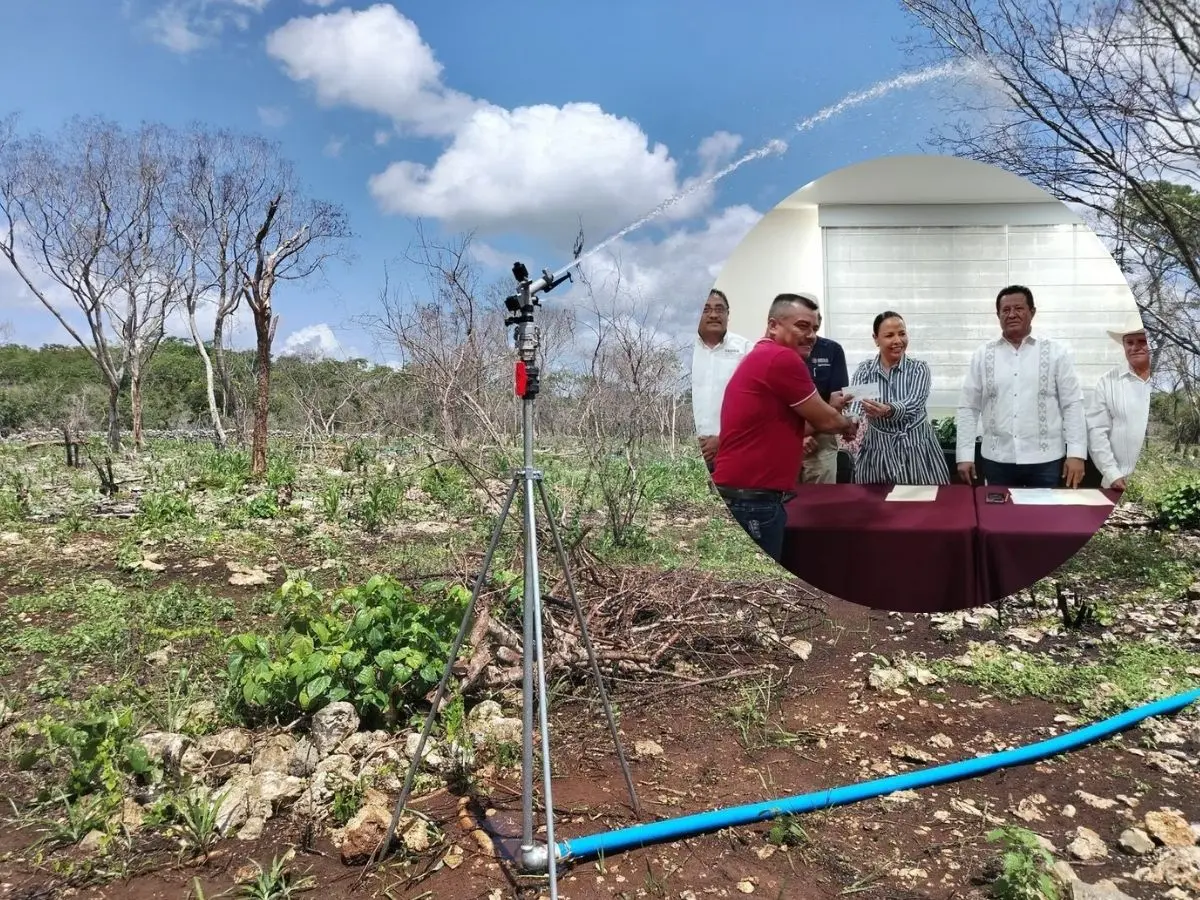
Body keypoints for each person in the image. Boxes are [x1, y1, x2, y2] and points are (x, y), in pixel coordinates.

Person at [712, 293, 857, 562]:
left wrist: (832, 411)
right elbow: (826, 422)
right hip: (753, 500)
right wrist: (846, 423)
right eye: (802, 326)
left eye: (815, 328)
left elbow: (798, 427)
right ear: (773, 325)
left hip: (746, 496)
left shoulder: (762, 355)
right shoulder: (782, 359)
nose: (812, 335)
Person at [955, 285, 1087, 488]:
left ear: (1032, 312)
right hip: (997, 459)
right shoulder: (982, 354)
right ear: (998, 315)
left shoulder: (1056, 353)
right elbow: (968, 407)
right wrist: (964, 455)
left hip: (1046, 460)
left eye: (1018, 308)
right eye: (1005, 310)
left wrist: (1076, 454)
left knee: (1044, 518)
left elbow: (1072, 404)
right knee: (999, 518)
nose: (1012, 314)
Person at [846, 311, 950, 485]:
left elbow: (915, 403)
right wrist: (852, 421)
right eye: (889, 335)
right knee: (878, 506)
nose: (897, 341)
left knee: (924, 506)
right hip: (878, 452)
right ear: (876, 339)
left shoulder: (918, 368)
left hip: (918, 451)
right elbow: (855, 403)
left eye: (902, 334)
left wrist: (889, 410)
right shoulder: (865, 370)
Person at [1086, 314, 1152, 491]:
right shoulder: (1108, 382)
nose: (1135, 347)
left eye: (1142, 341)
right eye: (1129, 343)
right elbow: (1097, 432)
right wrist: (1112, 474)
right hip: (1118, 483)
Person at [691, 289, 752, 473]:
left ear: (728, 314)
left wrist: (722, 439)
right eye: (706, 309)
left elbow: (754, 403)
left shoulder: (747, 350)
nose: (713, 315)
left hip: (733, 449)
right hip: (687, 454)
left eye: (719, 309)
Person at [801, 304, 849, 484]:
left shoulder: (832, 350)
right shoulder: (778, 353)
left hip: (822, 438)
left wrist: (806, 432)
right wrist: (797, 436)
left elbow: (838, 402)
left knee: (821, 502)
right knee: (786, 504)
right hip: (784, 439)